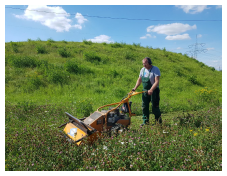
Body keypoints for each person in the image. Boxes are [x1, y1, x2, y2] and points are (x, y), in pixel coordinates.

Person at [132, 57, 162, 126]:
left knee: (155, 107)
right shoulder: (142, 70)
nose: (144, 65)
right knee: (144, 106)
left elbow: (157, 81)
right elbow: (139, 80)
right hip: (145, 92)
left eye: (145, 64)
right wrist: (135, 88)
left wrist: (151, 89)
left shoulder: (155, 69)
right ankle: (145, 122)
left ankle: (158, 122)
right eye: (143, 64)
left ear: (149, 63)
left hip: (154, 91)